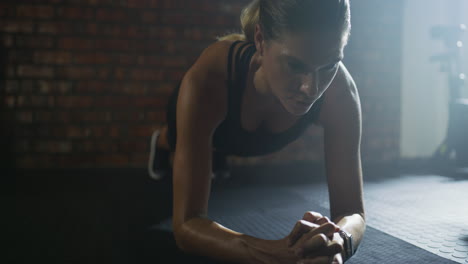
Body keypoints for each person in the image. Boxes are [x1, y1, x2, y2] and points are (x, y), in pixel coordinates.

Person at [148, 0, 366, 263]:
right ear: (261, 40)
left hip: (251, 140)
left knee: (217, 156)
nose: (311, 88)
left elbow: (353, 212)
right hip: (209, 123)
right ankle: (161, 141)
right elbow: (186, 226)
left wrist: (337, 240)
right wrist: (278, 253)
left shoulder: (340, 93)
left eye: (329, 66)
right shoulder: (212, 76)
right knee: (178, 141)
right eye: (295, 66)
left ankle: (213, 157)